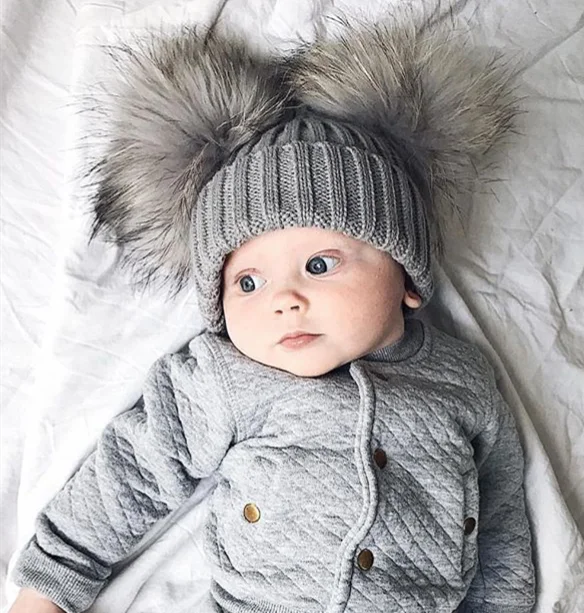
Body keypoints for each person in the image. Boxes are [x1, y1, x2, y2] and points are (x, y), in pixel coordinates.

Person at [9, 17, 536, 613]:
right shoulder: (225, 377)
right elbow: (133, 471)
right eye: (249, 282)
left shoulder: (463, 380)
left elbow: (499, 519)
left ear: (408, 278)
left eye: (319, 265)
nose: (285, 300)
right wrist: (50, 583)